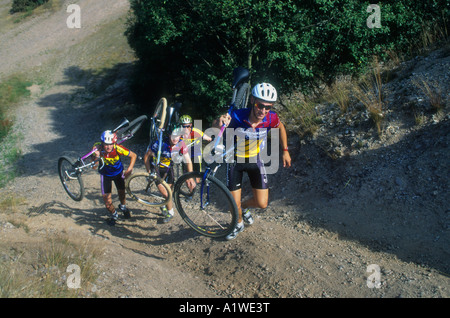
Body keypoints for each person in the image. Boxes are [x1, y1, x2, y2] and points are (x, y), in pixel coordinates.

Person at [214, 82, 291, 240]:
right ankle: (238, 222)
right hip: (235, 161)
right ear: (252, 101)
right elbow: (217, 127)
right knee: (233, 204)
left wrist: (285, 151)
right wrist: (219, 120)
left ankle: (244, 207)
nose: (263, 110)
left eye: (268, 107)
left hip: (255, 160)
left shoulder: (271, 118)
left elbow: (281, 127)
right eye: (259, 105)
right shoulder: (237, 116)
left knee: (262, 203)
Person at [143, 128, 195, 223]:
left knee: (169, 194)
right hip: (157, 169)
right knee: (166, 194)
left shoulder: (181, 144)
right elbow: (146, 156)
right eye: (173, 136)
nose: (175, 139)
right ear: (169, 135)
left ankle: (164, 205)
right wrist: (149, 171)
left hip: (168, 169)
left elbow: (188, 161)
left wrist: (190, 176)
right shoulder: (160, 143)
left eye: (177, 136)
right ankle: (170, 213)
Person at [93, 130, 137, 226]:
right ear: (102, 143)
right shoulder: (97, 148)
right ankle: (114, 215)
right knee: (107, 203)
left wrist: (129, 169)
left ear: (114, 143)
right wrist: (96, 156)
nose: (108, 147)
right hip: (105, 176)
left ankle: (123, 207)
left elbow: (133, 155)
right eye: (106, 144)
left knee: (121, 194)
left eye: (111, 144)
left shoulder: (118, 148)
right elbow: (94, 166)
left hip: (118, 174)